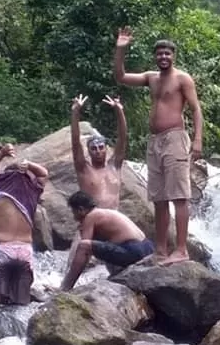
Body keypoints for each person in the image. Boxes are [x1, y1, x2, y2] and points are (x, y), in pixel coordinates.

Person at [113, 27, 203, 265]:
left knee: (179, 196)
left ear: (174, 56)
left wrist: (197, 140)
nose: (163, 57)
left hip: (175, 138)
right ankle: (161, 250)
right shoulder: (151, 78)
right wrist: (121, 49)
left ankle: (182, 249)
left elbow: (195, 109)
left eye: (167, 54)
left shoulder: (183, 79)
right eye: (160, 54)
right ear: (155, 56)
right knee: (159, 198)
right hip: (154, 142)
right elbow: (120, 77)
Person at [0, 143, 49, 307]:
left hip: (2, 250)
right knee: (21, 304)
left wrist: (1, 153)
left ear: (4, 175)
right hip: (25, 251)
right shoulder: (32, 189)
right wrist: (29, 164)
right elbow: (44, 173)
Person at [60, 191, 154, 290]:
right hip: (147, 249)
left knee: (84, 246)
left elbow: (85, 249)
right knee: (103, 245)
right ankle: (116, 275)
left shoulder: (90, 216)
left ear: (81, 209)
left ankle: (65, 287)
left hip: (133, 250)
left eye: (73, 212)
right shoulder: (105, 212)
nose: (74, 218)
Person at [70, 93, 127, 209]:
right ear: (89, 152)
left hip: (113, 219)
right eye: (94, 148)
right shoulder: (84, 169)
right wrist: (75, 112)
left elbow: (123, 137)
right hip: (93, 219)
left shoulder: (114, 166)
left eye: (101, 147)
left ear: (106, 149)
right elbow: (75, 142)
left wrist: (119, 111)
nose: (98, 151)